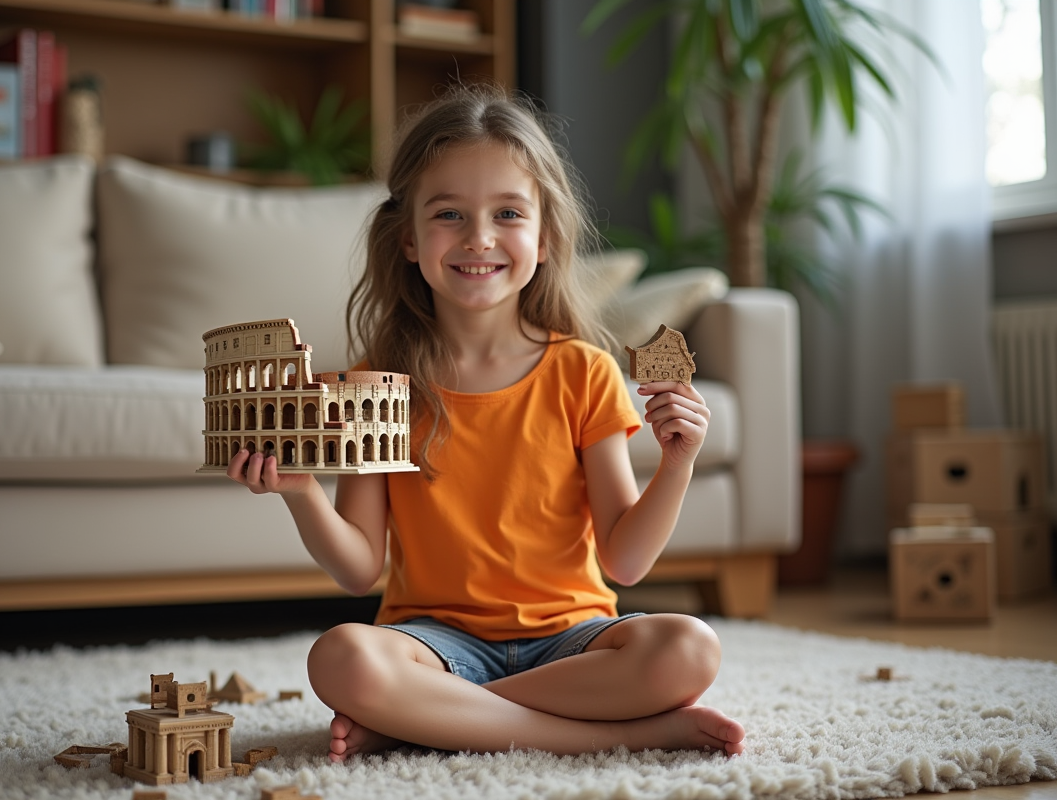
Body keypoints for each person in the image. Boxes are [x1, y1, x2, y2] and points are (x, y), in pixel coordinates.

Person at [227, 84, 746, 764]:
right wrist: (300, 493)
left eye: (507, 213)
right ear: (408, 238)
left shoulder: (583, 372)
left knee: (688, 647)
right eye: (449, 215)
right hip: (433, 642)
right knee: (342, 658)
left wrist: (677, 463)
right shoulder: (378, 380)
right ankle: (618, 734)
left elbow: (624, 559)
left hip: (572, 638)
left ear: (546, 235)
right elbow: (359, 568)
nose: (479, 238)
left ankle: (433, 722)